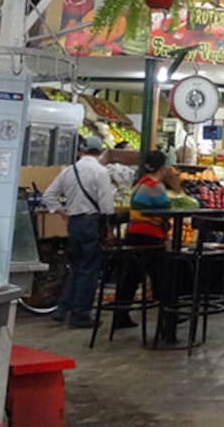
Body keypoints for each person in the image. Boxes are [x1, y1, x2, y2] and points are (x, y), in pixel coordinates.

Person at [42, 135, 116, 328]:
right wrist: (109, 229)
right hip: (92, 223)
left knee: (75, 267)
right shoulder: (100, 172)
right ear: (99, 152)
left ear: (81, 151)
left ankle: (62, 309)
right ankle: (80, 315)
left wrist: (61, 212)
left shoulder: (69, 171)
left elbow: (48, 196)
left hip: (74, 224)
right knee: (89, 271)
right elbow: (107, 205)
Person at [113, 150, 171, 329]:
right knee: (161, 275)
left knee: (130, 277)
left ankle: (120, 314)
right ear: (163, 167)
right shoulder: (154, 186)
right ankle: (168, 316)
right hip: (150, 236)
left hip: (133, 234)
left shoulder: (140, 183)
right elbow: (166, 211)